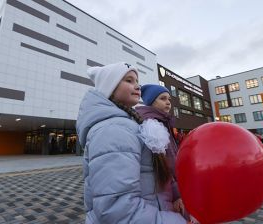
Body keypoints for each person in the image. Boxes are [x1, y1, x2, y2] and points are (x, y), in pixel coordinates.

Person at [76, 62, 186, 223]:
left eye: (137, 81)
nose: (137, 86)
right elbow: (117, 209)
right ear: (110, 87)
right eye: (129, 80)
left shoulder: (131, 123)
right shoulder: (113, 129)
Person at [135, 84, 195, 223]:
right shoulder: (152, 125)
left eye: (169, 99)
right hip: (162, 192)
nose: (168, 102)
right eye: (162, 98)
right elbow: (166, 164)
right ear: (150, 102)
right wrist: (176, 195)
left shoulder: (163, 121)